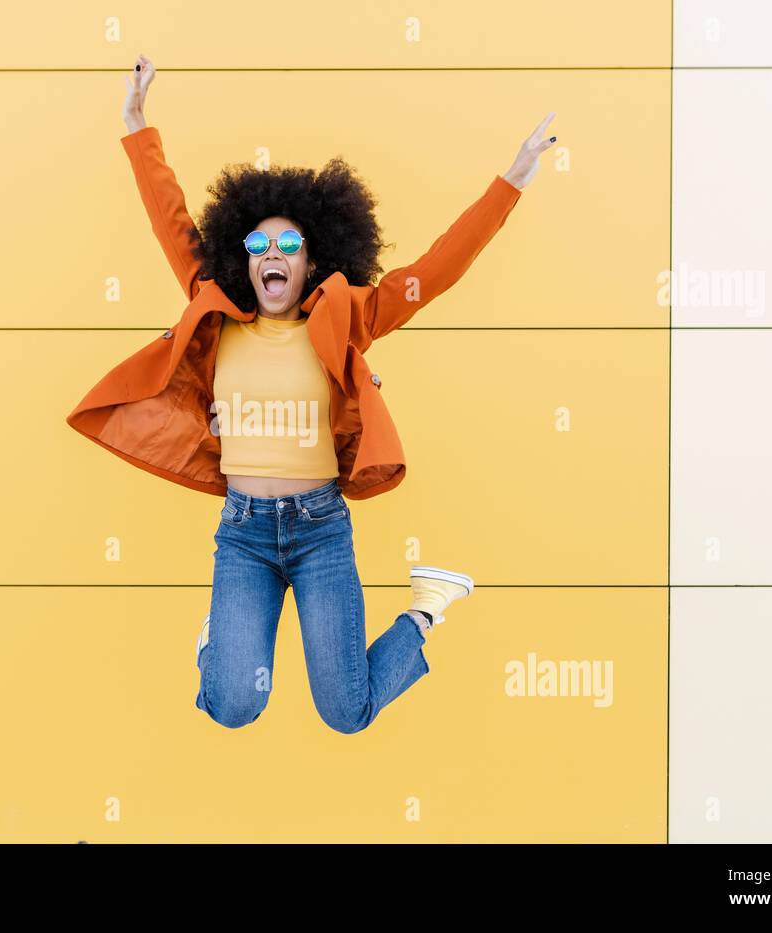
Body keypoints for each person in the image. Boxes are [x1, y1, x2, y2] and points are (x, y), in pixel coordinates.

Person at [70, 53, 556, 733]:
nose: (273, 252)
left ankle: (424, 610)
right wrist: (136, 124)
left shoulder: (346, 315)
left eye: (289, 242)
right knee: (234, 704)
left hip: (320, 529)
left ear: (312, 260)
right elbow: (170, 218)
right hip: (242, 535)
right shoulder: (215, 311)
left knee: (346, 711)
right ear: (243, 260)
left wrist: (511, 181)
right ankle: (219, 644)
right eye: (258, 242)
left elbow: (433, 273)